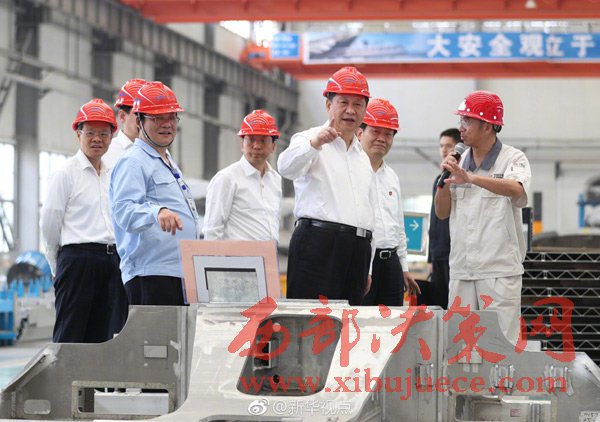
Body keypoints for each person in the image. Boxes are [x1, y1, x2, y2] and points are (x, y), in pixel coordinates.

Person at [434, 90, 531, 344]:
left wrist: (472, 178)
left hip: (498, 272)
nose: (461, 127)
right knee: (459, 348)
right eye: (461, 120)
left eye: (467, 120)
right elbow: (442, 213)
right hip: (462, 271)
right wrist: (443, 180)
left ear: (487, 126)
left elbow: (517, 190)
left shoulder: (513, 158)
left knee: (501, 346)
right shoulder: (458, 161)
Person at [277, 66, 375, 306]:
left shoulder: (362, 158)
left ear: (365, 110)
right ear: (328, 105)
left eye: (358, 104)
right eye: (343, 102)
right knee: (312, 321)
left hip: (357, 251)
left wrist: (367, 266)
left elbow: (368, 212)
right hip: (318, 246)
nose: (351, 110)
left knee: (349, 322)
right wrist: (315, 143)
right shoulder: (308, 138)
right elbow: (286, 167)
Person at [41, 99, 127, 343]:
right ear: (78, 134)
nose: (97, 139)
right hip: (77, 260)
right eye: (90, 133)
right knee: (70, 334)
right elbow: (49, 223)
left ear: (112, 136)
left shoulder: (113, 174)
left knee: (105, 337)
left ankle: (97, 373)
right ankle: (63, 371)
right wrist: (56, 265)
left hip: (112, 261)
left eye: (103, 134)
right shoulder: (66, 173)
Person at [110, 81, 200, 306]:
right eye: (158, 118)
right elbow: (123, 210)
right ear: (139, 121)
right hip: (151, 275)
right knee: (155, 331)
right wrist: (156, 212)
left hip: (178, 273)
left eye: (172, 117)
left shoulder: (166, 161)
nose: (167, 124)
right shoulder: (133, 161)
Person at [357, 98, 420, 306]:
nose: (382, 138)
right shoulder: (351, 172)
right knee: (360, 322)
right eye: (375, 131)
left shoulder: (391, 176)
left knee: (393, 322)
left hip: (391, 265)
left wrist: (404, 268)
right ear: (359, 133)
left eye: (388, 134)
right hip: (362, 261)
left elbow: (398, 226)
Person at [203, 110, 282, 241]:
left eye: (263, 140)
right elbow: (212, 229)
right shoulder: (227, 178)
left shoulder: (275, 179)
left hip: (270, 253)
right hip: (237, 254)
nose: (256, 146)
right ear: (242, 145)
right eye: (251, 140)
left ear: (273, 146)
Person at [427, 128, 461, 309]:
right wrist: (430, 258)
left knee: (454, 304)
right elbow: (434, 220)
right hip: (438, 253)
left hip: (453, 253)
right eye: (441, 146)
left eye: (449, 146)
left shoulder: (460, 180)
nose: (444, 150)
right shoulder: (439, 179)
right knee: (439, 304)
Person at [103, 78, 146, 168]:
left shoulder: (160, 152)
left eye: (149, 115)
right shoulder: (106, 154)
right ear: (122, 116)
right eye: (139, 114)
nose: (146, 120)